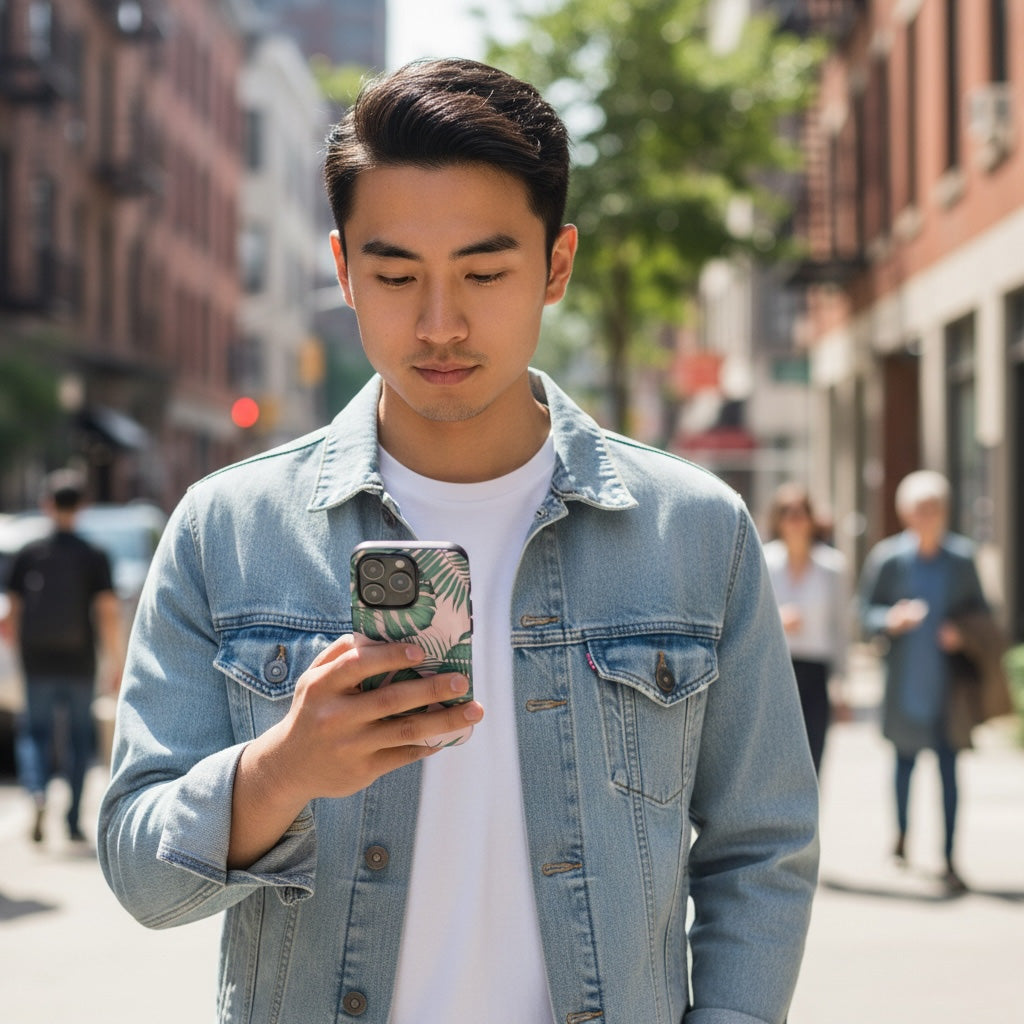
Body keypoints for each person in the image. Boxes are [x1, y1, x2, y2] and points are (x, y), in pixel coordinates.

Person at [99, 59, 818, 1024]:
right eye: (395, 275)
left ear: (556, 267)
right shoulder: (229, 529)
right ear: (345, 270)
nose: (440, 324)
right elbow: (142, 875)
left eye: (484, 272)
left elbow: (761, 850)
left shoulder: (693, 530)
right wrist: (283, 771)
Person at [859, 470, 990, 893]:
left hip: (948, 692)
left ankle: (950, 857)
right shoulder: (888, 559)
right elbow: (863, 615)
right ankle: (901, 837)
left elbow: (983, 617)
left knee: (951, 775)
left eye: (934, 509)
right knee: (903, 766)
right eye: (920, 509)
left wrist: (961, 634)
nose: (927, 517)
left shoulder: (962, 560)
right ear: (905, 514)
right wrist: (890, 620)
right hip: (905, 686)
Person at [4, 469, 123, 843]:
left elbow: (10, 616)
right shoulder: (94, 555)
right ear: (83, 507)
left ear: (47, 505)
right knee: (77, 737)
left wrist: (15, 652)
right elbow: (107, 613)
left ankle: (37, 792)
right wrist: (116, 661)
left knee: (34, 732)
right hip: (80, 658)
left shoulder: (28, 553)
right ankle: (72, 822)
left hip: (36, 658)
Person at [763, 483, 849, 775]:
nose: (794, 519)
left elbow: (840, 629)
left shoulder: (832, 567)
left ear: (812, 518)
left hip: (816, 672)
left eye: (800, 512)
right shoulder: (764, 560)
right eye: (787, 512)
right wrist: (777, 620)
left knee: (813, 762)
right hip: (775, 671)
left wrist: (842, 686)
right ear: (777, 519)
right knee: (776, 763)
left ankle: (809, 822)